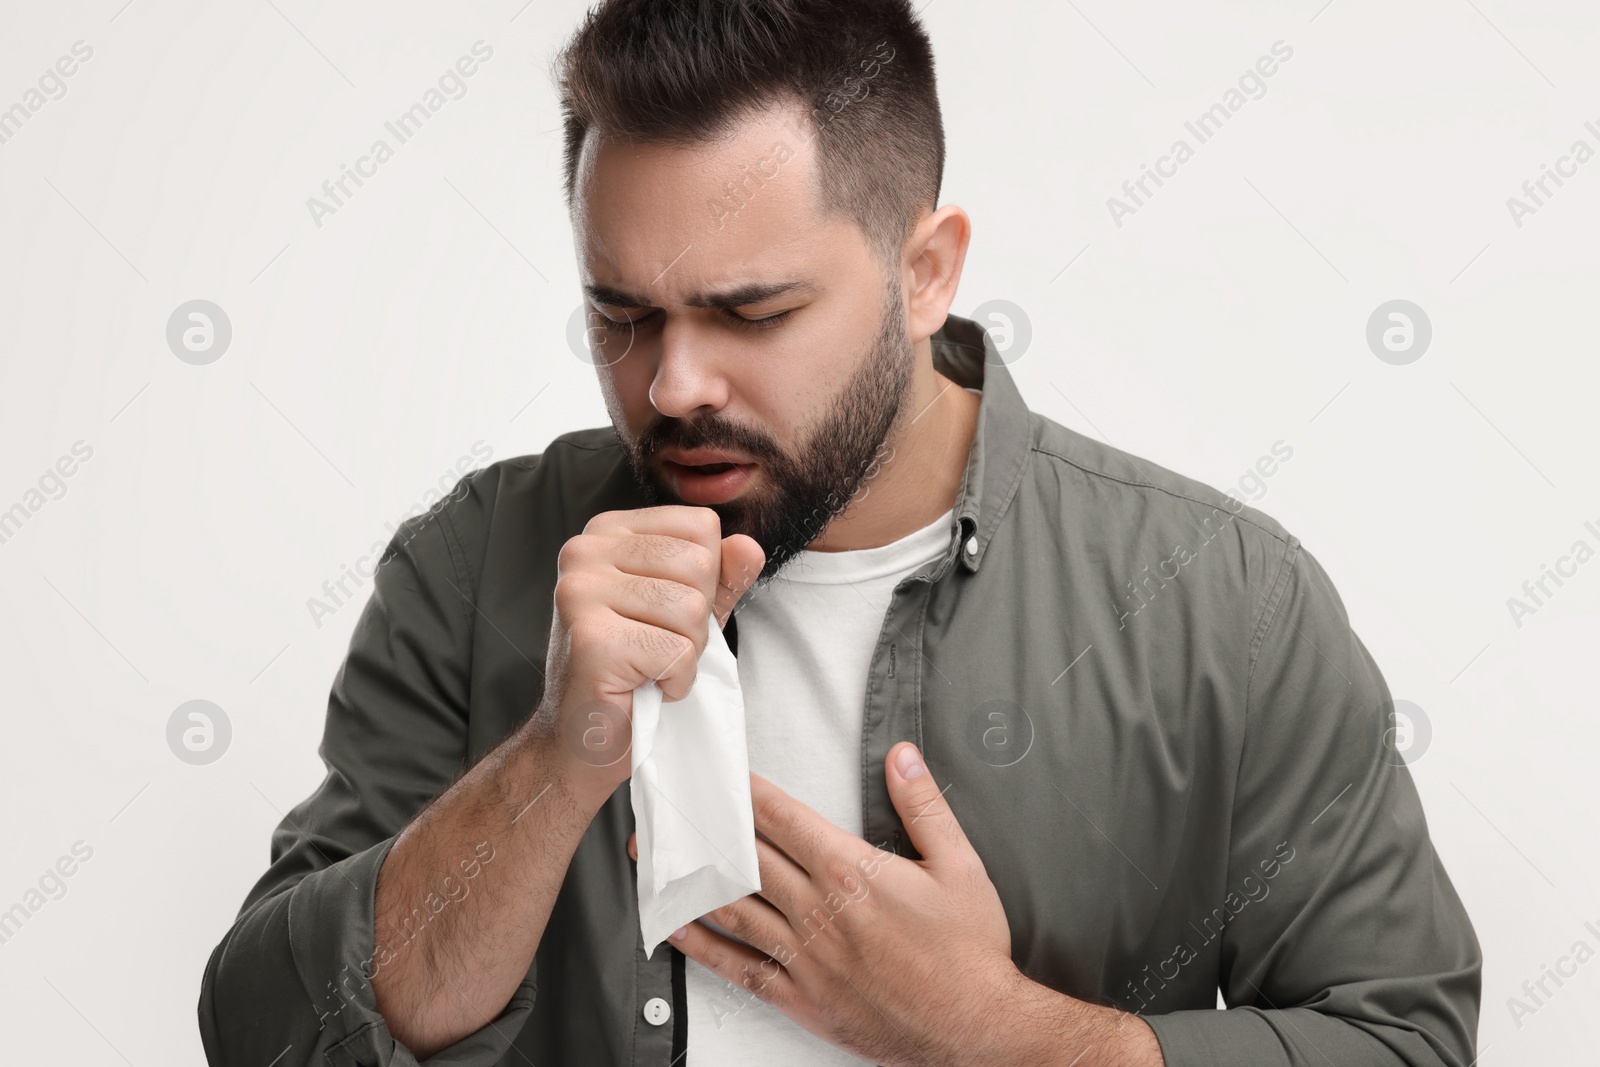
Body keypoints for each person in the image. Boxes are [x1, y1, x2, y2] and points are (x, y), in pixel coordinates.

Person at [198, 1, 1481, 1064]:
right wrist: (550, 764)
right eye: (621, 313)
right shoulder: (477, 563)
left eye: (751, 312)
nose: (672, 383)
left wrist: (999, 1033)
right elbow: (264, 1038)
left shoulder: (1220, 600)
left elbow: (1406, 1042)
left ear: (926, 272)